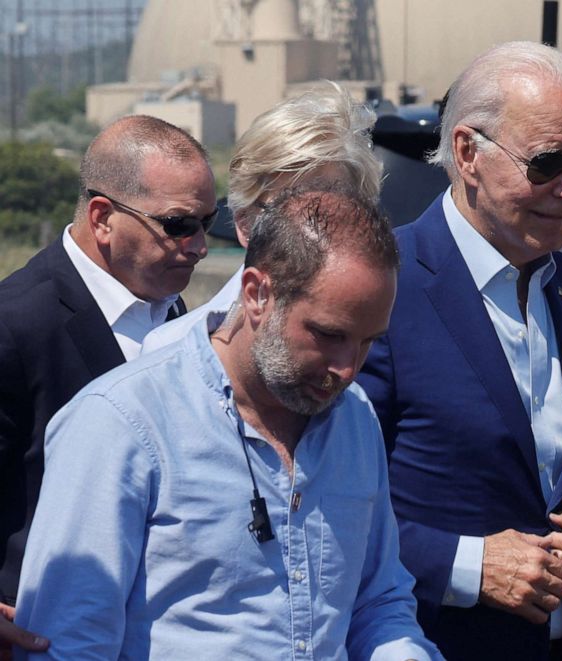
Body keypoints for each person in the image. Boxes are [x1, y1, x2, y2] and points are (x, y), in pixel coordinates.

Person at [15, 185, 441, 660]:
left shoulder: (355, 418)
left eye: (368, 342)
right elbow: (70, 643)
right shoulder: (122, 423)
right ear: (257, 294)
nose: (348, 368)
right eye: (328, 334)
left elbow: (377, 601)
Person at [356, 41, 562, 660]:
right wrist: (467, 565)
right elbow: (327, 500)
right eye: (546, 164)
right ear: (468, 153)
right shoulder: (384, 284)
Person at [0, 115, 215, 607]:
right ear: (101, 218)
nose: (200, 247)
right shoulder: (15, 326)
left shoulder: (174, 312)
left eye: (208, 222)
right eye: (178, 225)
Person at [141, 83, 382, 353]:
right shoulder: (175, 350)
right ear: (245, 225)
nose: (315, 234)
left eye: (335, 215)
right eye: (292, 216)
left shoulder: (389, 339)